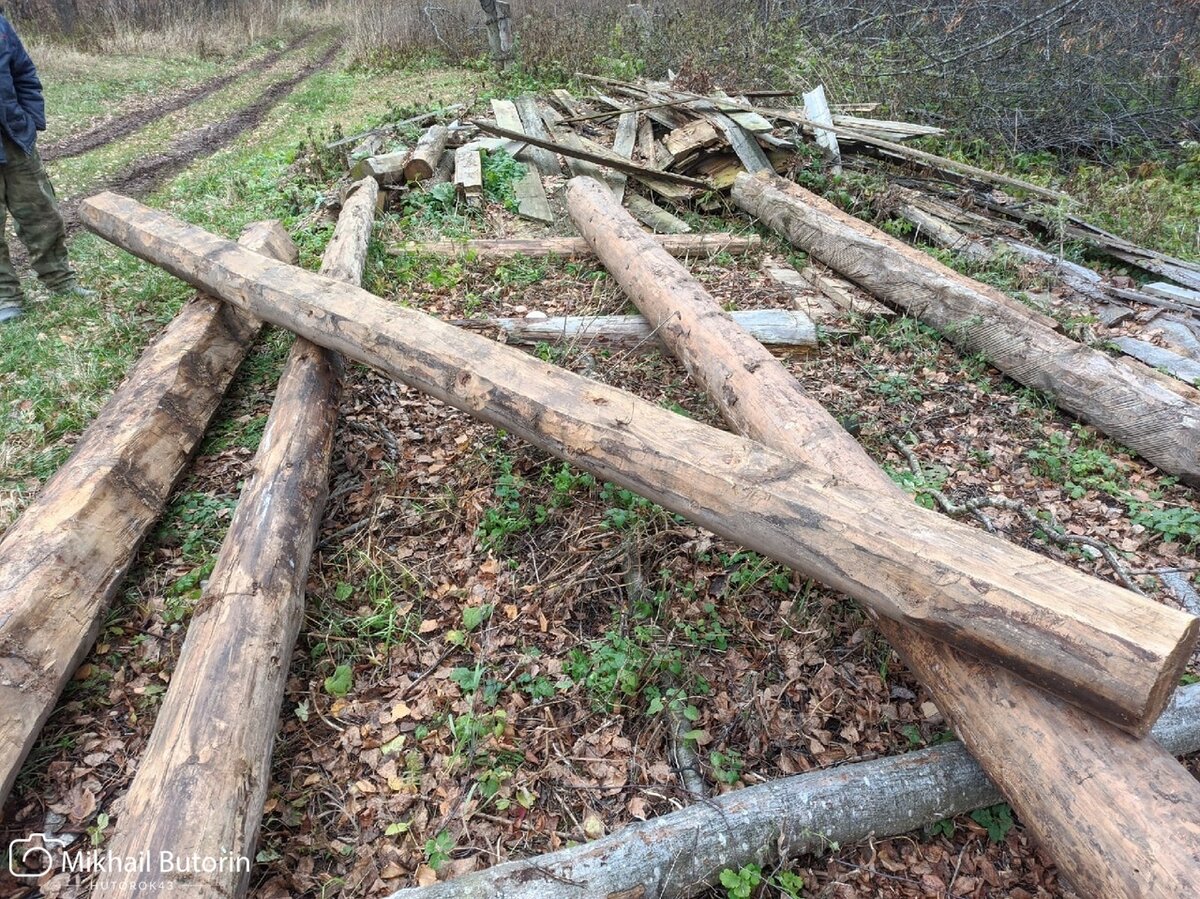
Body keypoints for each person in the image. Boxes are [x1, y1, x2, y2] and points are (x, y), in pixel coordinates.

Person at [0, 12, 94, 324]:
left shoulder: (1, 26)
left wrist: (31, 119)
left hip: (14, 138)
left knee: (42, 213)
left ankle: (61, 281)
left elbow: (24, 72)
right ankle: (5, 297)